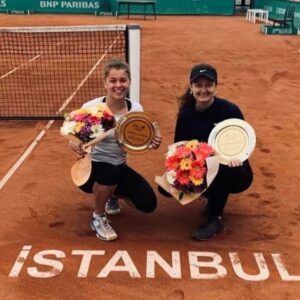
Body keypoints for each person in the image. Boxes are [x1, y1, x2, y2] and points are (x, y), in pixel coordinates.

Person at [69, 58, 162, 241]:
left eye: (123, 80)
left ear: (129, 82)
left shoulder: (136, 109)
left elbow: (135, 143)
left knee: (147, 204)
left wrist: (151, 142)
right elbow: (73, 137)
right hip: (91, 169)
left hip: (119, 166)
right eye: (113, 80)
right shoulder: (92, 108)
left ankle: (112, 195)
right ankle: (98, 217)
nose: (118, 85)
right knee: (109, 173)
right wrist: (75, 146)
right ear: (105, 83)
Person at [161, 63, 253, 241]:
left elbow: (242, 145)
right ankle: (209, 194)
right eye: (198, 85)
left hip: (235, 171)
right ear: (191, 88)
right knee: (165, 187)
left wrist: (236, 159)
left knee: (224, 167)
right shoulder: (186, 115)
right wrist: (180, 175)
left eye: (208, 85)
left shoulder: (230, 111)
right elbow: (180, 149)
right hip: (201, 167)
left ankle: (215, 217)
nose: (204, 90)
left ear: (215, 88)